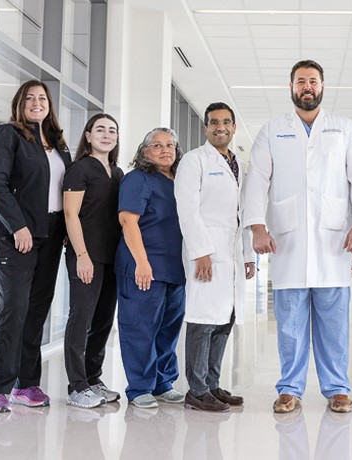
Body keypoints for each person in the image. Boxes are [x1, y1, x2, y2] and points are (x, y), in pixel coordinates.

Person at [243, 59, 352, 414]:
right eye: (300, 81)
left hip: (334, 239)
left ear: (323, 87)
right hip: (288, 239)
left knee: (334, 323)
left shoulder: (343, 128)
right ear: (291, 88)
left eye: (313, 81)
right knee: (290, 324)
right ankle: (289, 389)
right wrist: (257, 225)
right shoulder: (273, 130)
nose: (307, 87)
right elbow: (257, 179)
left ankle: (337, 388)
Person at [0, 80, 72, 413]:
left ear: (50, 105)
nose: (37, 102)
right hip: (14, 233)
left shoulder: (58, 144)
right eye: (30, 98)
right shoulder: (8, 135)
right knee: (13, 309)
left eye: (42, 98)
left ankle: (26, 384)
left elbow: (64, 193)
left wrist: (64, 229)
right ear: (20, 103)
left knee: (36, 311)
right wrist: (17, 225)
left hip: (49, 234)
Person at [175, 102, 255, 412]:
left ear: (234, 127)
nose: (220, 127)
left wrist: (248, 256)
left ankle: (211, 384)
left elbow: (243, 213)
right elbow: (187, 209)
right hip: (206, 253)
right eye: (214, 122)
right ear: (206, 128)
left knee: (225, 320)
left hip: (231, 254)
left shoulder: (239, 165)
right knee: (203, 320)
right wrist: (201, 253)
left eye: (226, 122)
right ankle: (196, 390)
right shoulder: (194, 161)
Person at [115, 128, 186, 409]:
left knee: (168, 330)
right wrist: (143, 264)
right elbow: (127, 222)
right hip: (144, 267)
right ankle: (139, 387)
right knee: (140, 328)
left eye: (170, 145)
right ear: (145, 152)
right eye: (157, 145)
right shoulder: (138, 179)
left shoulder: (180, 181)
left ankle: (162, 382)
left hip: (174, 268)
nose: (165, 150)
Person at [63, 113, 123, 408]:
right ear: (87, 135)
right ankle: (76, 387)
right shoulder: (80, 169)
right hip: (87, 255)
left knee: (102, 322)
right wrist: (82, 256)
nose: (106, 134)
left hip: (112, 258)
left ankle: (93, 379)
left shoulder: (118, 172)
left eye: (112, 130)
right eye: (100, 129)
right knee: (81, 318)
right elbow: (70, 214)